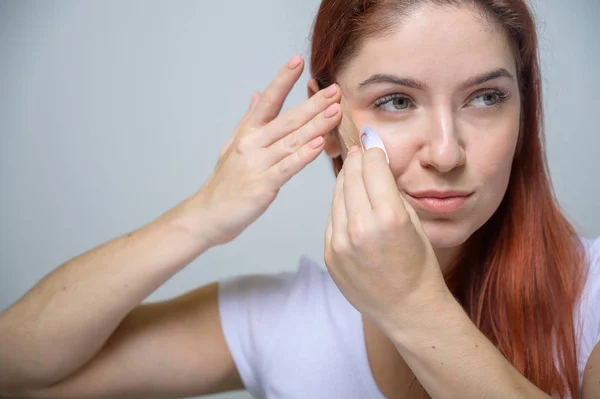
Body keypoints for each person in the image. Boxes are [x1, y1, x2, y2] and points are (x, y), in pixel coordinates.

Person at [1, 0, 599, 398]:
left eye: (486, 97)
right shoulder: (287, 322)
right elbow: (19, 366)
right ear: (327, 117)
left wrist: (414, 306)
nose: (445, 153)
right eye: (396, 100)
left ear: (525, 107)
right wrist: (202, 216)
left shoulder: (592, 296)